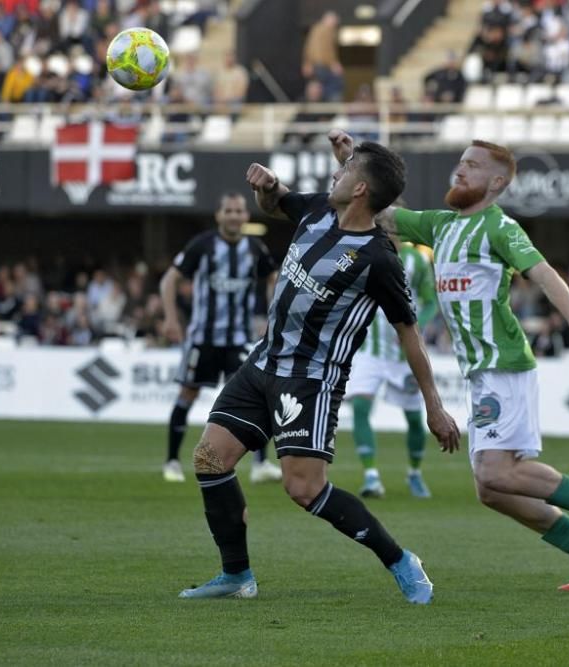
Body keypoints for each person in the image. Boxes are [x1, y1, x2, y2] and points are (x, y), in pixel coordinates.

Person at [178, 135, 461, 603]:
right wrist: (265, 188)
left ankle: (401, 561)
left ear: (360, 191)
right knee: (210, 459)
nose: (336, 173)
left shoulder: (378, 259)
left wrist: (434, 406)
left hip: (310, 380)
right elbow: (274, 204)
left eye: (346, 170)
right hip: (263, 362)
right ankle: (236, 576)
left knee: (304, 488)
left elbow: (409, 333)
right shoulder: (316, 210)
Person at [353, 134, 569, 591]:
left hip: (503, 366)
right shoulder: (440, 224)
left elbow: (544, 273)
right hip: (481, 374)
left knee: (495, 472)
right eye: (460, 163)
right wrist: (349, 162)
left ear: (497, 182)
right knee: (492, 490)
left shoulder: (499, 227)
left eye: (473, 166)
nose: (460, 171)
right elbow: (376, 214)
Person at [160, 193, 281, 484]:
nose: (234, 216)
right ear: (219, 215)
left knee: (255, 397)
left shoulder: (254, 248)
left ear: (246, 216)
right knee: (188, 394)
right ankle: (172, 461)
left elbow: (274, 278)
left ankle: (261, 464)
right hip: (203, 338)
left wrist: (271, 316)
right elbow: (169, 279)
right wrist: (172, 318)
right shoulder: (202, 246)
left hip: (239, 338)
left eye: (239, 211)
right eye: (228, 211)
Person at [345, 240, 438, 498]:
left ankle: (415, 473)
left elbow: (430, 302)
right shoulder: (359, 254)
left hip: (403, 353)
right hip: (369, 350)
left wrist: (416, 329)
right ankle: (371, 476)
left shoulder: (416, 261)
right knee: (361, 407)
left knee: (415, 419)